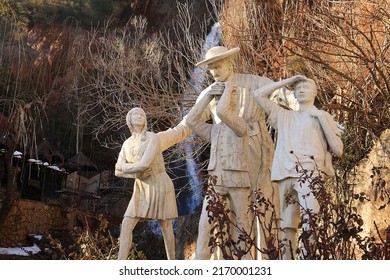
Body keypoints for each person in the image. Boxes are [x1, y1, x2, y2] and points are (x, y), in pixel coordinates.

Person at [186, 46, 278, 259]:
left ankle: (246, 262)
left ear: (229, 62)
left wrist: (226, 94)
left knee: (243, 222)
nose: (215, 72)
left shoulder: (240, 122)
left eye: (218, 66)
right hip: (216, 177)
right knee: (205, 224)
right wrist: (209, 94)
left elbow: (229, 117)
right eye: (211, 69)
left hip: (240, 172)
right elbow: (191, 121)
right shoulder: (215, 129)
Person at [254, 75, 343, 259]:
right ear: (293, 93)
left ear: (315, 93)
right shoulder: (284, 115)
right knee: (286, 225)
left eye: (306, 87)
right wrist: (287, 81)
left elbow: (338, 150)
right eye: (298, 87)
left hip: (310, 175)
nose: (301, 90)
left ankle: (307, 261)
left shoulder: (322, 116)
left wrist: (320, 117)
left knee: (311, 220)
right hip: (285, 174)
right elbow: (258, 95)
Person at [115, 107, 191, 260]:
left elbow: (144, 164)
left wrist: (126, 167)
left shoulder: (153, 138)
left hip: (160, 185)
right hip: (141, 187)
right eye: (135, 114)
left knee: (166, 227)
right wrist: (134, 172)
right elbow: (117, 170)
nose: (139, 116)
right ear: (129, 119)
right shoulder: (127, 144)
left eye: (142, 114)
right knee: (127, 223)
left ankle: (172, 264)